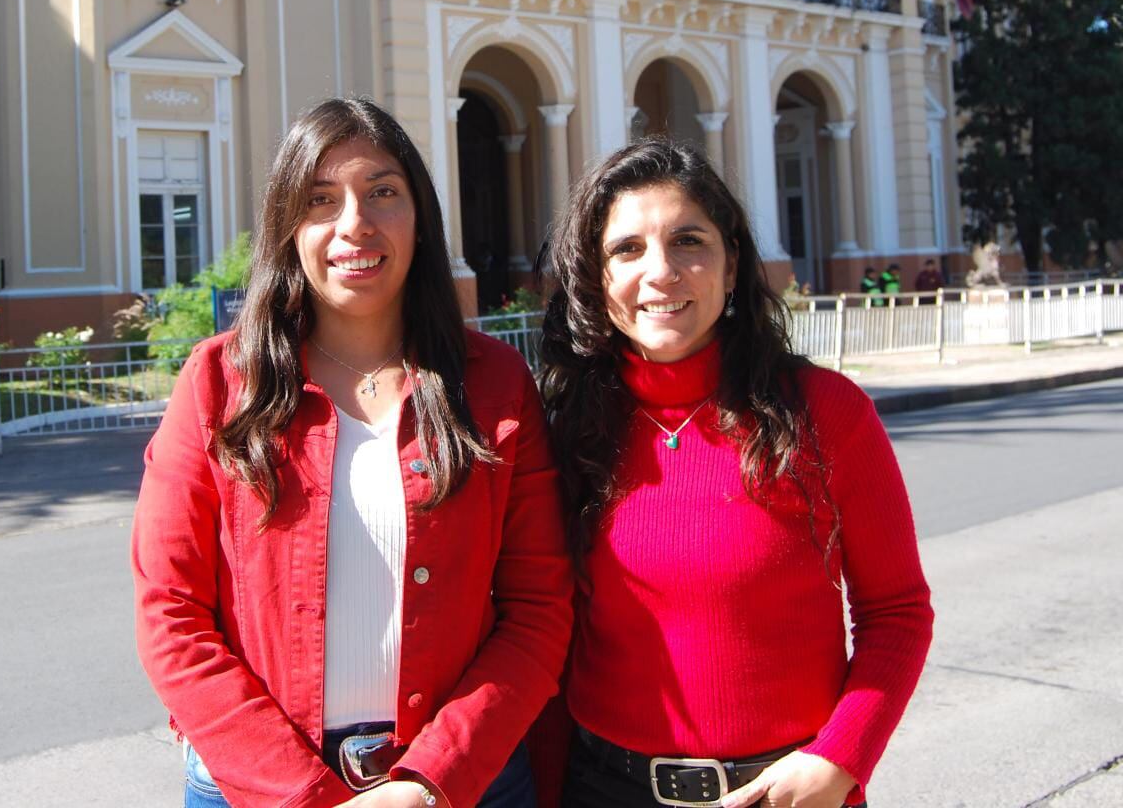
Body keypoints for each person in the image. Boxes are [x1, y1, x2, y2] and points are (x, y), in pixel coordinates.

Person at [132, 97, 573, 808]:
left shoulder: (493, 385)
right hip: (256, 788)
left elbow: (538, 608)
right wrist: (308, 795)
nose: (353, 225)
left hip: (461, 784)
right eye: (320, 199)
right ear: (286, 226)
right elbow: (170, 612)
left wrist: (430, 780)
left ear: (419, 219)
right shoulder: (219, 383)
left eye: (382, 193)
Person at [537, 139, 932, 808]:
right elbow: (548, 638)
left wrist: (840, 760)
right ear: (596, 280)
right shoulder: (570, 426)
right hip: (602, 788)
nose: (660, 272)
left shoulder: (826, 412)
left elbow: (896, 612)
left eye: (688, 241)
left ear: (730, 267)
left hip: (788, 791)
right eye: (627, 249)